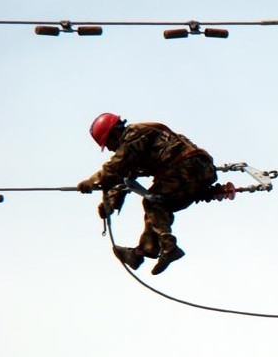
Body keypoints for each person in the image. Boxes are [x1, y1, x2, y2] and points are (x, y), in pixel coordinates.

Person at [77, 113, 218, 275]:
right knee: (159, 208)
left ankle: (169, 247)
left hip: (187, 167)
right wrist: (110, 202)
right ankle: (140, 254)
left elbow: (117, 165)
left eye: (108, 143)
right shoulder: (138, 146)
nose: (109, 149)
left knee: (152, 202)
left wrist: (92, 181)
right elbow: (125, 176)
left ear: (114, 132)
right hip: (197, 171)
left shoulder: (135, 134)